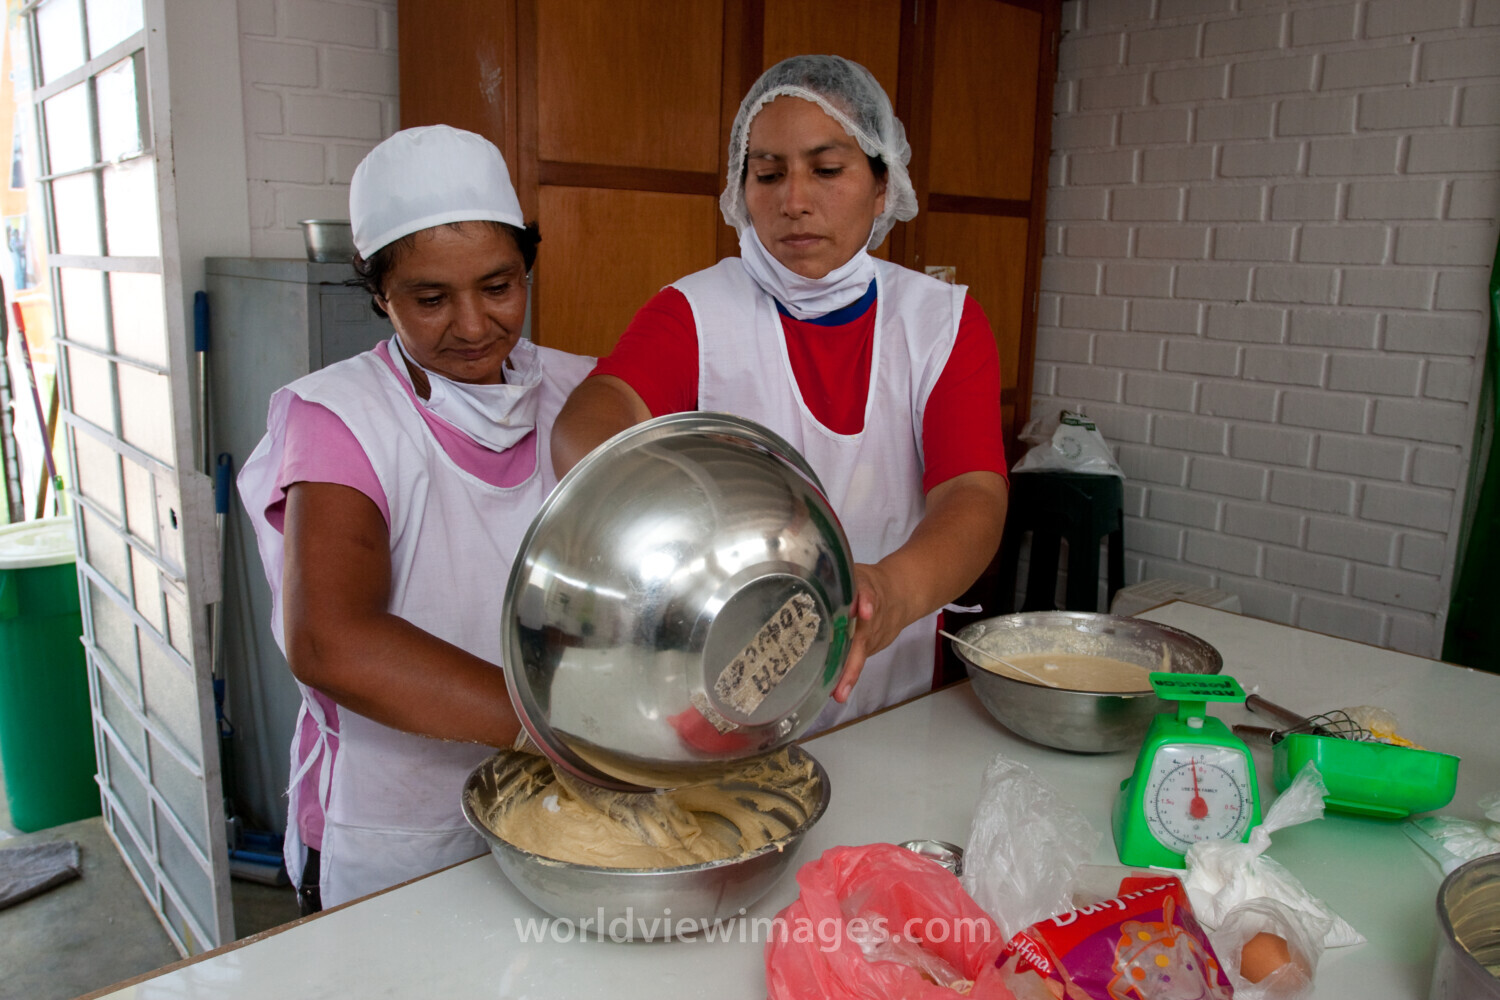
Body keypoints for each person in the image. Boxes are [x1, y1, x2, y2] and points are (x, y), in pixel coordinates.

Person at [551, 55, 1009, 730]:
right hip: (722, 688)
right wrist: (683, 537)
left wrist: (888, 592)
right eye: (767, 173)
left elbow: (973, 496)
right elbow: (587, 425)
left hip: (889, 697)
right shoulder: (696, 313)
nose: (794, 200)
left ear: (883, 185)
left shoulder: (940, 323)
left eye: (827, 170)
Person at [238, 126, 594, 911]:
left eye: (499, 287)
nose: (472, 326)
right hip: (399, 825)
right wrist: (563, 733)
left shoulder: (579, 392)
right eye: (430, 299)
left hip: (564, 811)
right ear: (378, 294)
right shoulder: (341, 417)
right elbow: (331, 639)